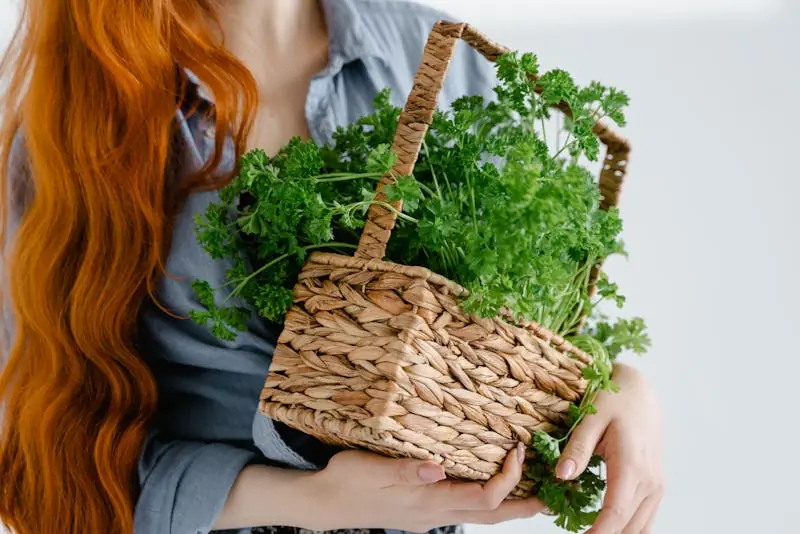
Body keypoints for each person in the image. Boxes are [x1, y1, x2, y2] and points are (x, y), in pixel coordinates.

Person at [0, 1, 664, 533]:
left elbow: (522, 340)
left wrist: (614, 387)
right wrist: (310, 500)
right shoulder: (70, 133)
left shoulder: (441, 61)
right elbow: (41, 469)